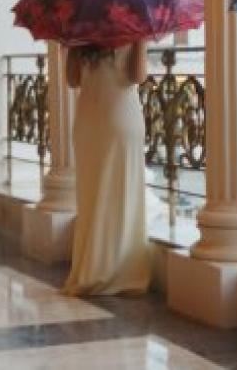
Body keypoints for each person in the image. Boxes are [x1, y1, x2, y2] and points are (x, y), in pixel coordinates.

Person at [63, 41, 152, 296]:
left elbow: (72, 80)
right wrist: (141, 41)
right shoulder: (132, 29)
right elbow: (137, 76)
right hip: (120, 116)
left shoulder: (82, 32)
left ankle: (92, 267)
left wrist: (71, 45)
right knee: (123, 195)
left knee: (92, 197)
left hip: (88, 119)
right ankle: (121, 271)